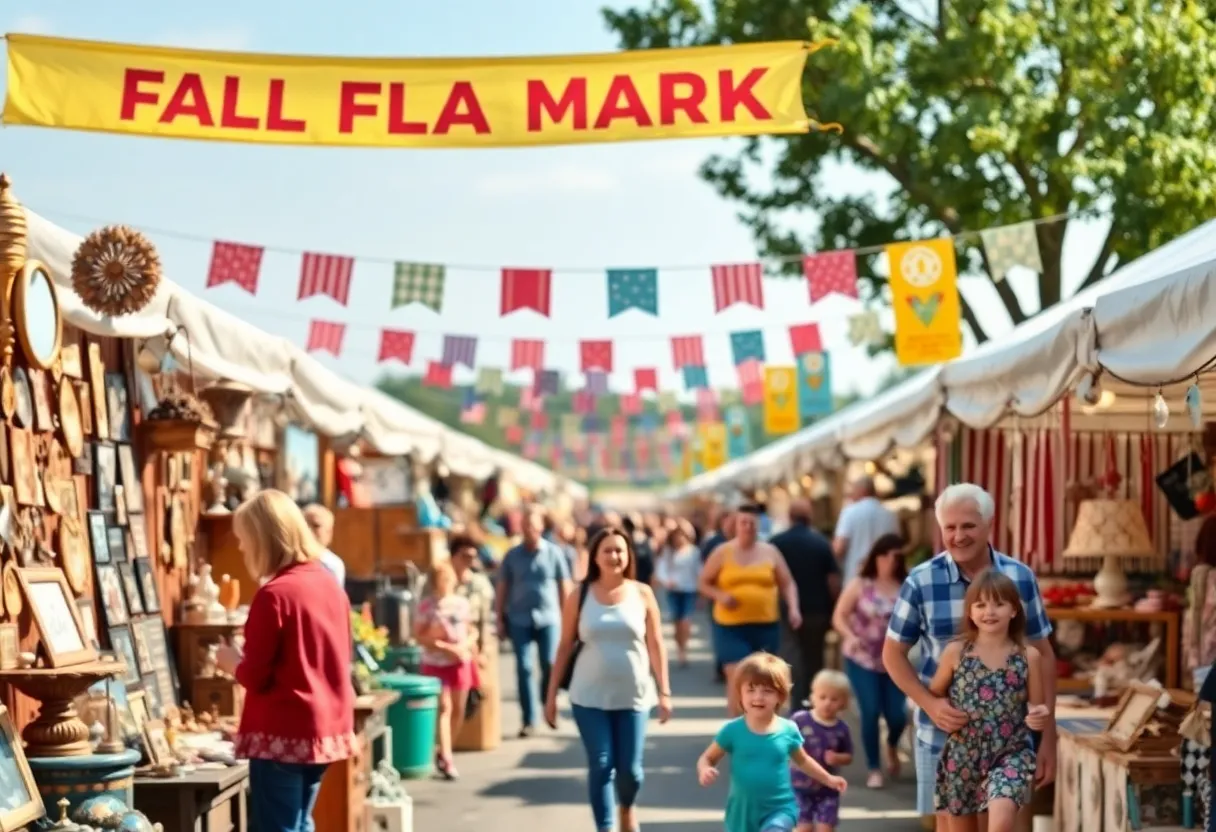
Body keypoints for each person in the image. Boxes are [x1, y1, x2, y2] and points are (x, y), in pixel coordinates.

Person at [882, 483, 1058, 830]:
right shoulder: (921, 580)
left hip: (1009, 741)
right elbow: (892, 655)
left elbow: (1044, 656)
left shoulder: (1019, 577)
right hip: (942, 737)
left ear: (989, 524)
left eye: (968, 526)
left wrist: (1048, 739)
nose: (958, 536)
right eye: (950, 527)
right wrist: (930, 705)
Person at [215, 490, 355, 832]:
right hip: (323, 729)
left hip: (282, 730)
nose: (243, 549)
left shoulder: (275, 594)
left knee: (280, 827)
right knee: (299, 823)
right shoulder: (328, 584)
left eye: (245, 540)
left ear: (263, 539)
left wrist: (231, 661)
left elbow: (256, 675)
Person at [545, 527, 672, 832]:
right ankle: (605, 826)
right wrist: (550, 697)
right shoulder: (580, 595)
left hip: (634, 695)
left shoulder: (642, 593)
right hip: (588, 696)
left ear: (628, 555)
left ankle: (627, 808)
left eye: (619, 550)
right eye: (607, 550)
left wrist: (665, 691)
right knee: (601, 765)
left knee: (630, 771)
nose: (614, 556)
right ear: (595, 556)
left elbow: (656, 643)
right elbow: (563, 647)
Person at [929, 571, 1050, 832]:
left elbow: (1037, 707)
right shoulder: (955, 653)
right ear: (970, 612)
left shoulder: (1029, 656)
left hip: (1011, 752)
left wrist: (1039, 715)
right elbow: (934, 694)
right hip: (962, 753)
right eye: (981, 605)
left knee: (1002, 823)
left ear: (1014, 610)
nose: (989, 611)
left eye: (999, 603)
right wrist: (941, 712)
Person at [696, 652, 847, 832]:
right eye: (751, 690)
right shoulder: (732, 731)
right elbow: (708, 757)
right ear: (740, 694)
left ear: (780, 696)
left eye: (767, 691)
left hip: (780, 809)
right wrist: (705, 769)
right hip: (742, 812)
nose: (758, 697)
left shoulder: (788, 729)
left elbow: (803, 760)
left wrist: (828, 779)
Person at [700, 506, 802, 715]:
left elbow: (787, 583)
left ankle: (765, 730)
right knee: (738, 676)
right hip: (730, 627)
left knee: (765, 679)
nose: (748, 527)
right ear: (735, 526)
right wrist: (720, 595)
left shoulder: (770, 551)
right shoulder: (722, 552)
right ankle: (737, 734)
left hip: (765, 625)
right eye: (743, 522)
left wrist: (793, 608)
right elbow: (703, 582)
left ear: (758, 526)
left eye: (752, 523)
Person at [831, 533, 908, 788]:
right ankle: (874, 767)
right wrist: (849, 635)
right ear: (875, 557)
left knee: (897, 715)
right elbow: (839, 616)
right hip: (862, 657)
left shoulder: (906, 586)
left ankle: (892, 744)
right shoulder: (861, 584)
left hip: (895, 661)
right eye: (884, 555)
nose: (888, 561)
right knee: (871, 710)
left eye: (894, 556)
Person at [496, 508, 572, 737]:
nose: (529, 529)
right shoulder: (512, 556)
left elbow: (564, 587)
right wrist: (499, 617)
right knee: (524, 667)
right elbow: (502, 588)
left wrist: (570, 618)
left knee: (549, 663)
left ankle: (547, 701)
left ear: (541, 527)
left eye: (533, 525)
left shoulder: (554, 553)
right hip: (519, 618)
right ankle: (529, 718)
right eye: (526, 525)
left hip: (549, 618)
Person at [770, 500, 840, 708]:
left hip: (785, 610)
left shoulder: (777, 542)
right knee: (815, 658)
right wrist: (834, 607)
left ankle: (796, 703)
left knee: (790, 657)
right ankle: (814, 701)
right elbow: (833, 581)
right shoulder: (821, 543)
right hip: (817, 610)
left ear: (790, 517)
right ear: (810, 518)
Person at [415, 562, 479, 780]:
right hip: (436, 662)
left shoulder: (461, 604)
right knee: (445, 706)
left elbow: (472, 631)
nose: (445, 585)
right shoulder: (426, 606)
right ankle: (448, 757)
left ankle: (444, 749)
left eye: (448, 580)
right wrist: (443, 647)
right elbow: (419, 636)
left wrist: (465, 646)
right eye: (441, 580)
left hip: (460, 661)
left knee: (459, 709)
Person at [790, 670, 854, 832]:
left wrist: (838, 758)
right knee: (804, 827)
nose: (827, 703)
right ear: (813, 697)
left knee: (826, 827)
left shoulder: (841, 729)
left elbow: (849, 755)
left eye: (834, 699)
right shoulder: (800, 720)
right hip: (798, 786)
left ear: (843, 703)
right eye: (822, 697)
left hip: (827, 788)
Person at [833, 477, 900, 582]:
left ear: (862, 490)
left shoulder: (849, 512)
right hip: (883, 580)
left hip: (854, 578)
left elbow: (839, 548)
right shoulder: (890, 515)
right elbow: (896, 547)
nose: (851, 495)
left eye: (853, 491)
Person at [658, 522, 702, 666]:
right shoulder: (669, 552)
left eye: (682, 536)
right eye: (677, 536)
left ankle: (684, 648)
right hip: (674, 591)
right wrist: (667, 581)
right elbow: (661, 569)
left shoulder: (694, 552)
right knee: (677, 622)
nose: (679, 539)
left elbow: (699, 571)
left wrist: (701, 590)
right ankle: (679, 648)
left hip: (689, 590)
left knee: (686, 621)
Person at [301, 503, 347, 588]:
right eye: (305, 524)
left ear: (329, 532)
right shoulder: (288, 559)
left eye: (316, 526)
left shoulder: (333, 565)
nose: (308, 530)